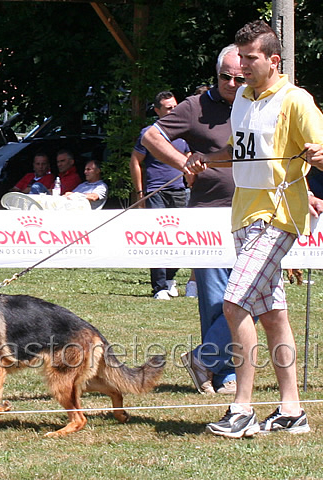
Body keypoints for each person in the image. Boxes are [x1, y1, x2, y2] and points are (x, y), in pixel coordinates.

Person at [185, 20, 323, 437]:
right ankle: (292, 411)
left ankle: (242, 408)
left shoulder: (295, 100)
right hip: (243, 216)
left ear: (273, 59)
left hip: (276, 216)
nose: (242, 66)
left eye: (250, 58)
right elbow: (241, 152)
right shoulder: (244, 100)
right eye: (239, 57)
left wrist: (317, 155)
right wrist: (204, 160)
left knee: (234, 304)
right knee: (272, 315)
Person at [142, 44, 241, 394]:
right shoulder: (195, 107)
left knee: (254, 295)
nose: (231, 83)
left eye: (238, 78)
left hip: (256, 210)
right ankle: (224, 374)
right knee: (216, 300)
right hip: (208, 216)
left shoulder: (257, 104)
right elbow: (151, 136)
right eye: (225, 77)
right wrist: (182, 163)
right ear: (216, 75)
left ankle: (205, 359)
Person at [131, 91, 190, 300]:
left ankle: (171, 279)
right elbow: (135, 161)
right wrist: (140, 194)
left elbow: (190, 158)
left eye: (175, 107)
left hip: (179, 191)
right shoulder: (149, 133)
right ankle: (159, 287)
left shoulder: (184, 133)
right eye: (168, 108)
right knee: (159, 239)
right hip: (156, 192)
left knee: (178, 238)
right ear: (157, 111)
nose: (173, 111)